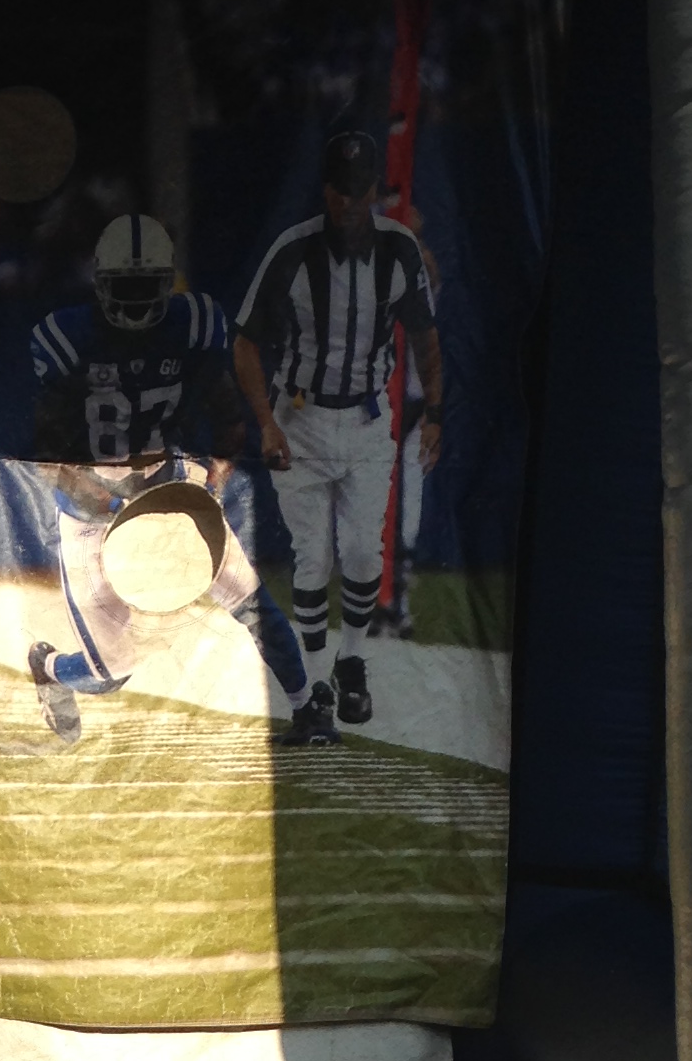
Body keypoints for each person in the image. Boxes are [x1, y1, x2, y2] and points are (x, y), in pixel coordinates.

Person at [26, 213, 325, 746]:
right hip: (93, 506)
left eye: (147, 286)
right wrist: (107, 502)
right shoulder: (69, 338)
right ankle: (49, 670)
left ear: (167, 284)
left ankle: (308, 711)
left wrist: (213, 482)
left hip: (169, 486)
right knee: (110, 672)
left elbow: (228, 419)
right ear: (101, 284)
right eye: (127, 287)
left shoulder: (192, 326)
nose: (137, 300)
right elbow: (47, 458)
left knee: (251, 602)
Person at [232, 127, 447, 737]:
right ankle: (317, 680)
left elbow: (427, 339)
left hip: (367, 418)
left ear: (374, 190)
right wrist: (266, 422)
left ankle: (352, 660)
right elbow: (245, 342)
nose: (348, 202)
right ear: (325, 189)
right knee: (313, 555)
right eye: (338, 190)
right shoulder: (292, 250)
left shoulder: (399, 251)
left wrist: (435, 413)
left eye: (358, 190)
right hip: (300, 419)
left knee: (361, 550)